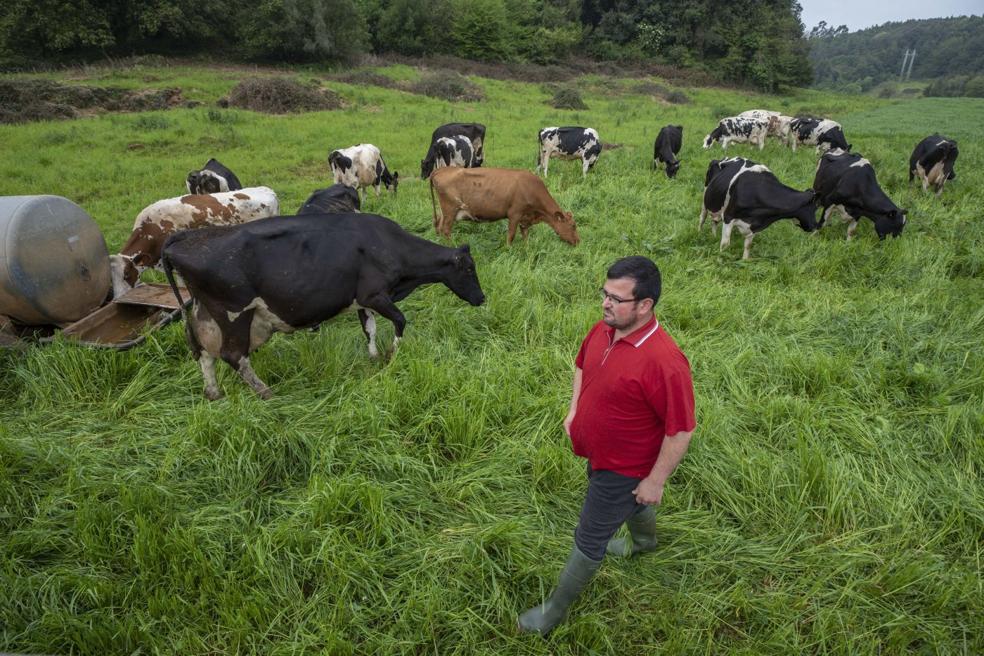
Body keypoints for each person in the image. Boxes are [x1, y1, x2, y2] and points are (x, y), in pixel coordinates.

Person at [518, 256, 697, 636]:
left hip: (624, 467)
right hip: (599, 453)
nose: (605, 303)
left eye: (617, 298)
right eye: (605, 293)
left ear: (645, 305)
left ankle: (552, 612)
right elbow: (582, 364)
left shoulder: (666, 363)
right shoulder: (604, 329)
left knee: (590, 537)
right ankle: (644, 542)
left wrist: (655, 481)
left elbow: (681, 431)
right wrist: (573, 410)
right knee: (634, 501)